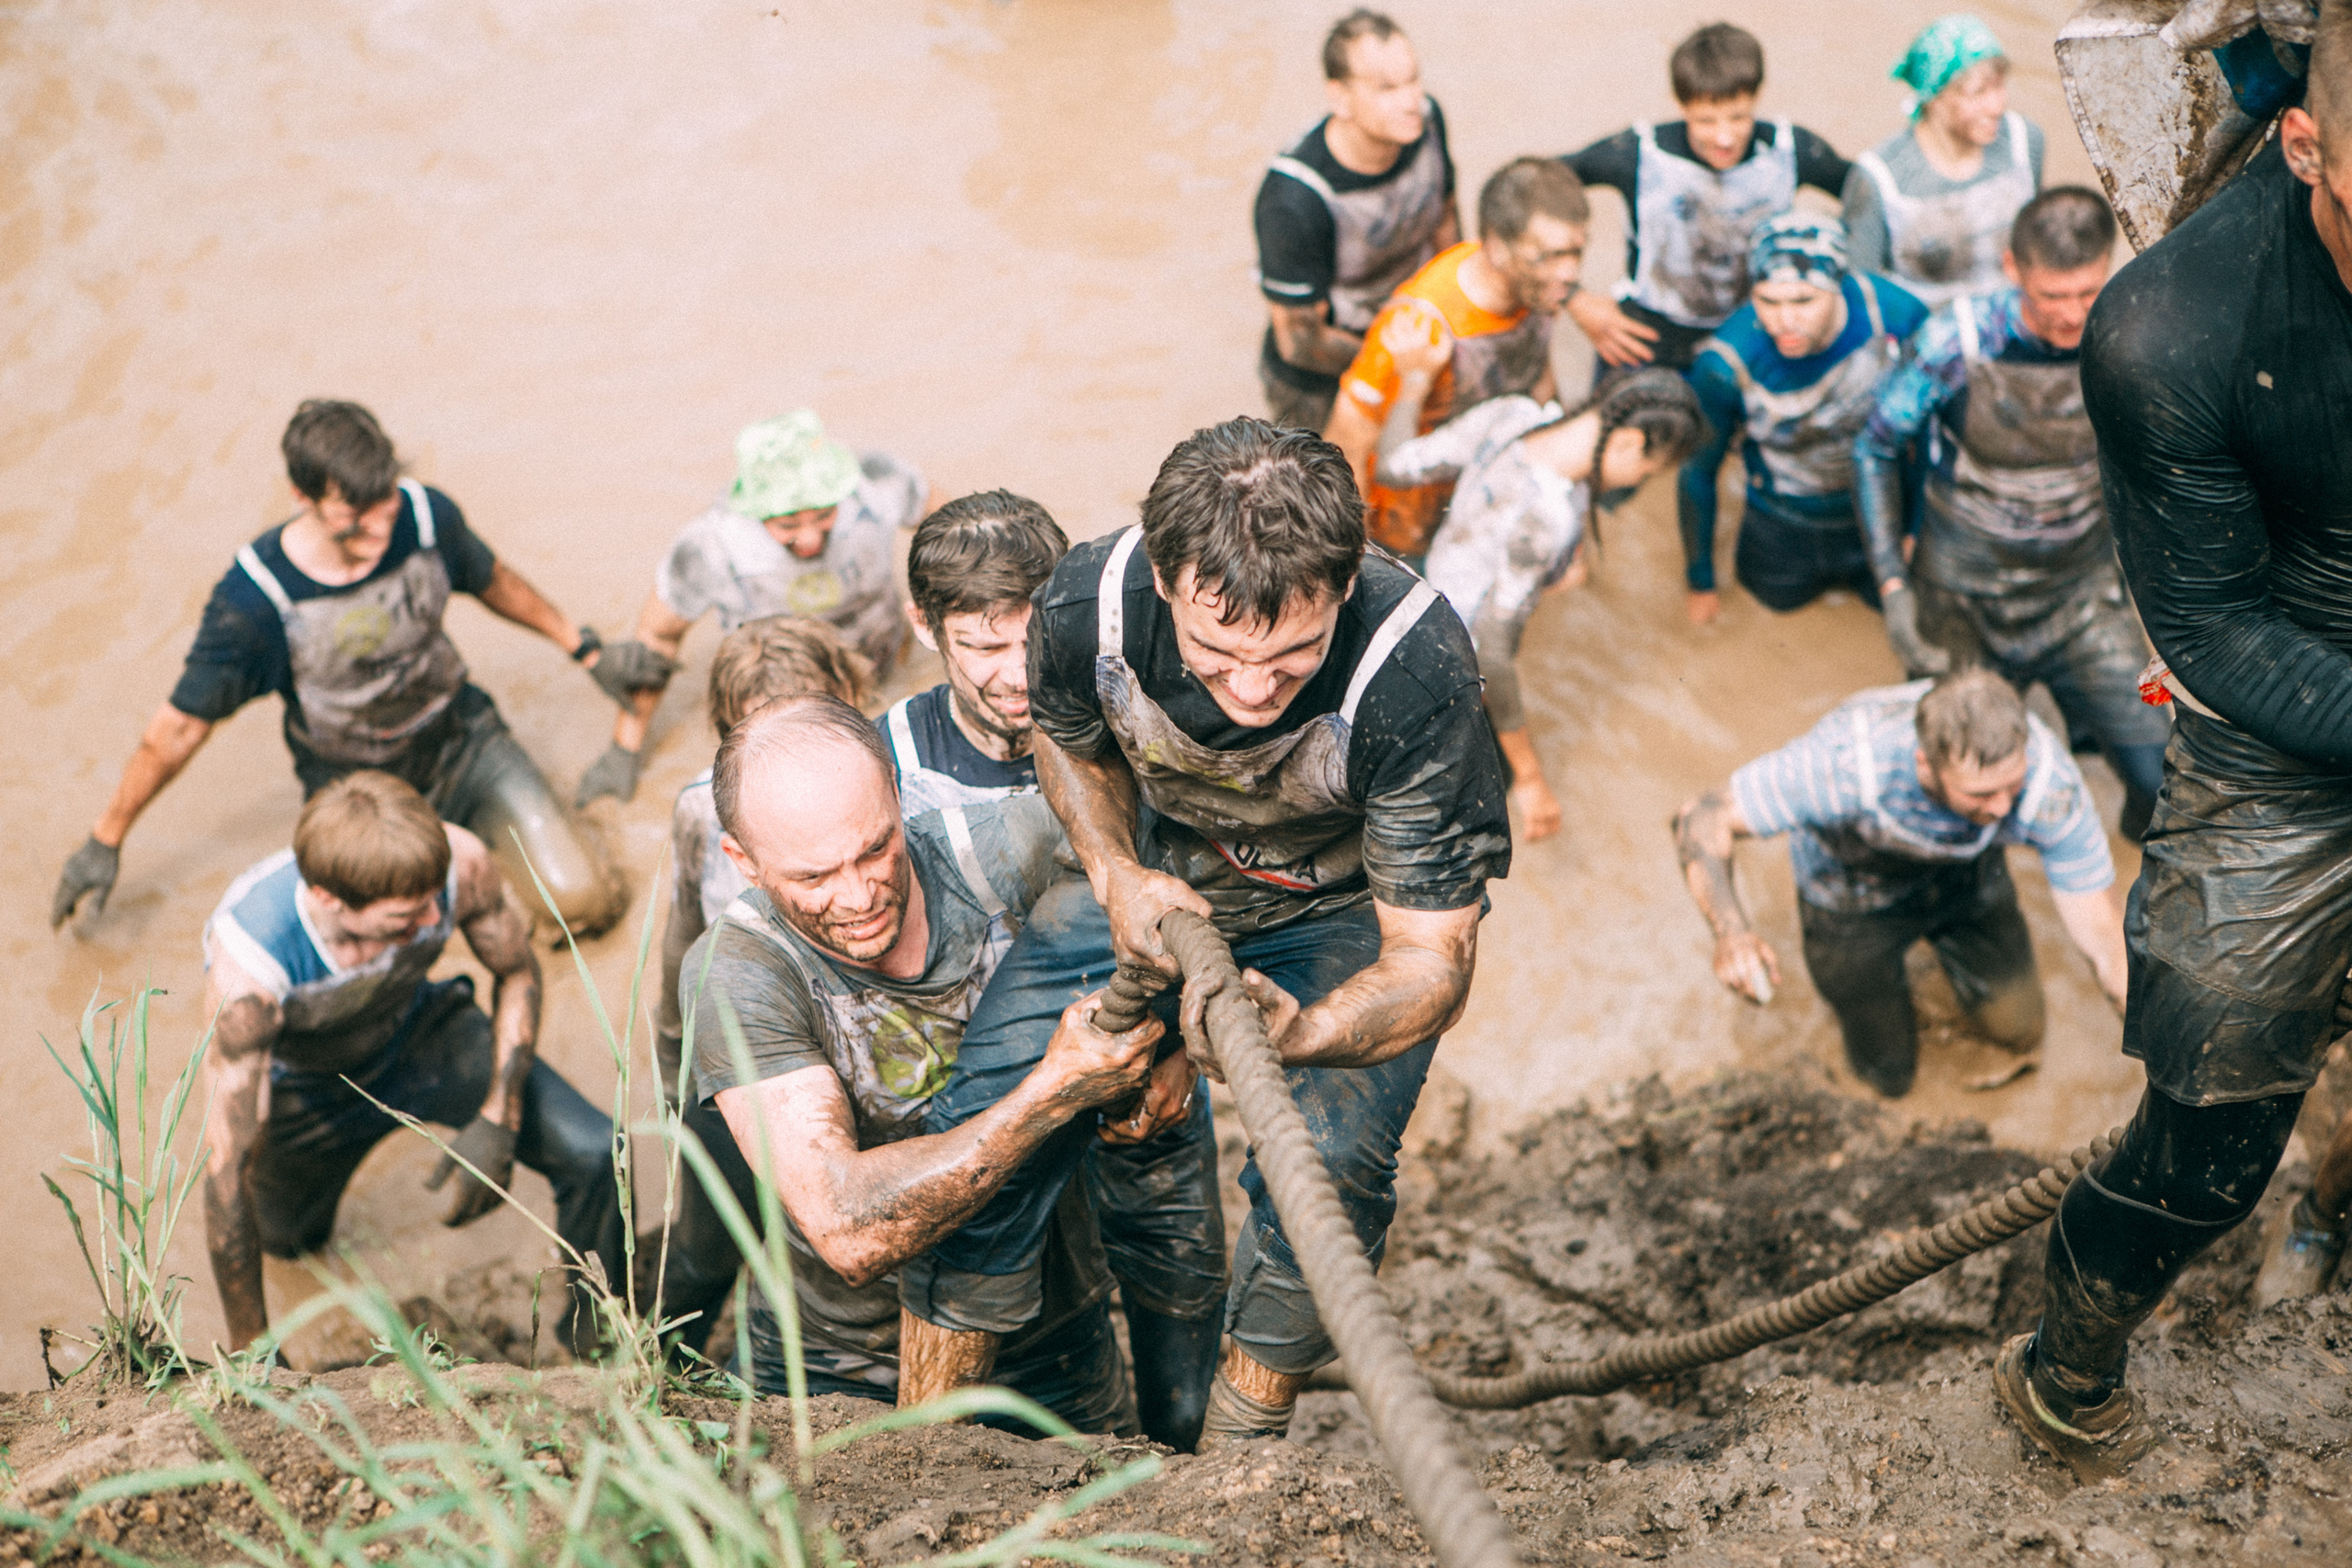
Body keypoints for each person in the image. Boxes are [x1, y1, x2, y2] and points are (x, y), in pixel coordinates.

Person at [899, 417, 1511, 1450]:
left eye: (1292, 655)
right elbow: (1068, 739)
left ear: (1347, 577)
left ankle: (1235, 1457)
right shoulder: (1085, 602)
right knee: (985, 1111)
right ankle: (914, 1452)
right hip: (1153, 878)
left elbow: (1431, 963)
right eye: (1217, 653)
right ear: (1165, 581)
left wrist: (1305, 1031)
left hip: (1333, 910)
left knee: (1332, 1164)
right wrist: (1111, 868)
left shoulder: (1415, 675)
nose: (1252, 690)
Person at [1990, 10, 2352, 1482]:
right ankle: (2070, 1365)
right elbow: (2213, 637)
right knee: (2211, 1118)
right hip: (2289, 694)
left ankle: (2334, 1214)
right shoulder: (2171, 329)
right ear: (2307, 142)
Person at [677, 695, 1166, 1432]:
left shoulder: (996, 858)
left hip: (1050, 1337)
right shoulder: (740, 970)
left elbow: (1161, 877)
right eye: (814, 878)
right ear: (744, 862)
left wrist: (1176, 1052)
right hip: (835, 1361)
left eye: (876, 848)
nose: (859, 893)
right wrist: (1053, 1090)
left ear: (900, 798)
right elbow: (845, 1226)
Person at [52, 400, 629, 940]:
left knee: (583, 904)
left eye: (385, 502)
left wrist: (584, 649)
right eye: (353, 512)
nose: (378, 528)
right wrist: (106, 838)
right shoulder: (257, 602)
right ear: (302, 496)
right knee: (389, 938)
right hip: (359, 791)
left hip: (465, 743)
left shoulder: (427, 517)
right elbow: (180, 727)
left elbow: (494, 580)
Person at [197, 772, 627, 1357]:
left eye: (434, 901)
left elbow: (518, 971)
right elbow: (228, 1172)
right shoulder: (249, 977)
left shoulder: (458, 865)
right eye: (405, 917)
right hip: (307, 1088)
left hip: (423, 1035)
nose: (432, 921)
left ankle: (595, 1333)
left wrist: (500, 1117)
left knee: (597, 1149)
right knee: (287, 1243)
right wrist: (253, 1353)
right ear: (329, 900)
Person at [1854, 188, 2169, 841]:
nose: (2073, 315)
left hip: (2080, 594)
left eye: (2088, 291)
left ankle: (2142, 869)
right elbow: (1874, 445)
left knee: (2163, 770)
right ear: (2011, 268)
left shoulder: (2137, 336)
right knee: (1960, 773)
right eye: (2054, 296)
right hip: (1961, 594)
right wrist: (1891, 587)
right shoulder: (1957, 341)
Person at [1676, 668, 2125, 1099]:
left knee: (2018, 1030)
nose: (2004, 807)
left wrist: (2141, 1015)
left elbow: (2102, 931)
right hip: (1848, 898)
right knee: (1889, 1076)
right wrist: (1731, 934)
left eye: (2012, 785)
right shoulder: (1846, 764)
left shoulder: (2049, 784)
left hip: (1963, 878)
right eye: (1981, 795)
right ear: (1925, 765)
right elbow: (1702, 816)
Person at [1374, 326, 1704, 840]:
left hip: (1423, 598)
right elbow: (1494, 656)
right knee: (1474, 791)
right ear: (1630, 442)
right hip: (1447, 665)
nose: (1639, 481)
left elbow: (1394, 467)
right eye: (1649, 471)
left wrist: (1414, 380)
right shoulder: (1548, 521)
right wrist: (1530, 778)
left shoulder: (1516, 414)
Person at [577, 409, 926, 806]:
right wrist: (625, 746)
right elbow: (658, 638)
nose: (810, 538)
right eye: (788, 524)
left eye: (825, 514)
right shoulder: (712, 546)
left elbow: (954, 532)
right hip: (789, 698)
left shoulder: (877, 484)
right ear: (756, 509)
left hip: (883, 660)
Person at [655, 617, 874, 1106]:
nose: (791, 754)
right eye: (763, 735)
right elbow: (684, 928)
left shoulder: (886, 799)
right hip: (759, 1011)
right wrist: (672, 1048)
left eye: (810, 728)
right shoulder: (701, 809)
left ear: (852, 697)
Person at [1324, 158, 1589, 558]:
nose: (1569, 273)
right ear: (1499, 249)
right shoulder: (1418, 325)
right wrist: (1355, 565)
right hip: (1408, 528)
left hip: (1480, 500)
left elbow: (1537, 374)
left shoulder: (1534, 289)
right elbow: (1347, 442)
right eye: (1551, 256)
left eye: (1576, 253)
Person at [1561, 22, 1854, 376]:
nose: (1724, 137)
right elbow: (1532, 188)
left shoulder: (1790, 152)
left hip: (1752, 338)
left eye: (1738, 117)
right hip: (1648, 340)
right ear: (1682, 106)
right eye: (1705, 120)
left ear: (1756, 99)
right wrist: (1573, 297)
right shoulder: (1640, 154)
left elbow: (1869, 196)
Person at [1680, 215, 1929, 616]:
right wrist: (1700, 583)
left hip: (1879, 513)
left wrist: (1917, 529)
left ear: (1839, 290)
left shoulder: (1895, 317)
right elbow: (1697, 471)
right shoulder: (1725, 365)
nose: (1786, 321)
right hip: (1781, 523)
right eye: (1769, 301)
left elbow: (1928, 436)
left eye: (1803, 300)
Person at [1253, 9, 1460, 434]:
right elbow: (1300, 342)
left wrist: (1457, 324)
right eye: (1386, 88)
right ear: (1339, 98)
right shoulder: (1294, 199)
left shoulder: (1428, 122)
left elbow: (1447, 224)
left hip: (1414, 340)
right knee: (1335, 493)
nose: (1410, 101)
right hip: (1325, 375)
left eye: (1413, 80)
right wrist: (1401, 369)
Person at [885, 491, 1070, 814]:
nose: (1019, 677)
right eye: (987, 648)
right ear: (925, 625)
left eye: (1039, 641)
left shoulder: (1120, 725)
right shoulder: (891, 759)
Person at [1843, 14, 2045, 309]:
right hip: (1925, 337)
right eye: (1978, 92)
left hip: (2013, 322)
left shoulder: (2024, 142)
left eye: (2000, 86)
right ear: (1934, 98)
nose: (1997, 105)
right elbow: (1859, 293)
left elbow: (2042, 247)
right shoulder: (1878, 179)